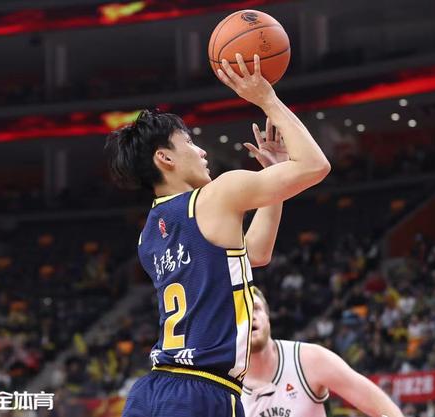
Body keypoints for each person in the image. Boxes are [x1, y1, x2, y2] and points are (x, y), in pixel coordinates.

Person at [106, 53, 330, 417]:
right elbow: (314, 166)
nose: (202, 151)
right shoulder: (216, 196)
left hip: (152, 391)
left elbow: (254, 255)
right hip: (202, 390)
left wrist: (274, 186)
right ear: (165, 158)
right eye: (189, 143)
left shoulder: (148, 236)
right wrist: (267, 99)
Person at [241, 288, 403, 417]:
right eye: (242, 312)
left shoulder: (308, 359)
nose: (250, 316)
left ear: (268, 318)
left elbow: (377, 403)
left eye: (256, 308)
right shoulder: (228, 386)